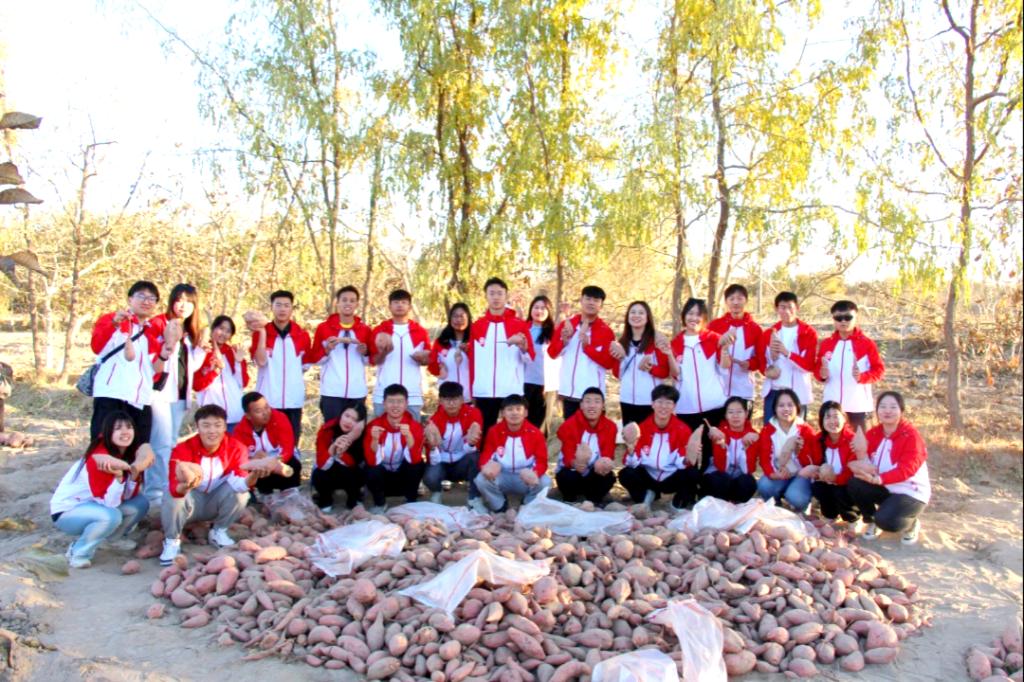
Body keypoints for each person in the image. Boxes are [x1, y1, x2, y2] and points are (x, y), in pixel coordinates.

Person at [50, 412, 154, 568]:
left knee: (140, 503)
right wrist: (119, 477)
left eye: (129, 427)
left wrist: (133, 475)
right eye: (118, 428)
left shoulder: (128, 454)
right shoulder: (99, 458)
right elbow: (109, 503)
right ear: (107, 432)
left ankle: (112, 539)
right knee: (111, 516)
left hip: (96, 505)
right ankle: (78, 552)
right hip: (68, 512)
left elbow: (127, 496)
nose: (125, 432)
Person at [160, 405, 257, 565]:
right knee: (171, 496)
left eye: (218, 425)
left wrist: (254, 475)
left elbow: (240, 483)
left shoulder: (236, 448)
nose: (212, 431)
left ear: (225, 427)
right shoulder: (182, 449)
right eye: (206, 425)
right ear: (197, 427)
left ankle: (219, 530)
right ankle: (172, 540)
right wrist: (186, 485)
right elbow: (174, 487)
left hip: (216, 500)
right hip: (192, 501)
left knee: (242, 494)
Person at [846, 391, 930, 544]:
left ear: (901, 411)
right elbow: (858, 458)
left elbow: (907, 469)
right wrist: (855, 463)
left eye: (893, 407)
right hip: (886, 487)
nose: (887, 411)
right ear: (877, 411)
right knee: (854, 483)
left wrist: (879, 479)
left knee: (887, 521)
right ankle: (871, 519)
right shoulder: (874, 433)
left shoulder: (911, 437)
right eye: (883, 406)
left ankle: (911, 522)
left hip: (909, 492)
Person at [88, 280, 164, 443]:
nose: (146, 301)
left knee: (138, 448)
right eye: (141, 296)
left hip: (141, 400)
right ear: (130, 299)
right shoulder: (112, 320)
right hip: (112, 396)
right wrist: (114, 324)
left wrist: (166, 353)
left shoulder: (151, 333)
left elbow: (154, 371)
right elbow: (97, 346)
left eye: (152, 298)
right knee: (104, 446)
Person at [148, 283, 203, 504]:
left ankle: (166, 488)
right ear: (171, 301)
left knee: (170, 443)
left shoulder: (189, 333)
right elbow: (153, 359)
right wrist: (168, 342)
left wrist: (202, 349)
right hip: (159, 393)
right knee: (159, 444)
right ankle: (153, 494)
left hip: (180, 395)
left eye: (189, 302)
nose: (183, 305)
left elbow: (189, 367)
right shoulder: (159, 324)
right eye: (179, 300)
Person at [618, 385, 702, 510]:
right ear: (652, 404)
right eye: (660, 402)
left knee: (693, 474)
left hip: (671, 476)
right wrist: (631, 450)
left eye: (668, 403)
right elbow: (632, 463)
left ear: (674, 406)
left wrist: (688, 458)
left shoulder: (683, 429)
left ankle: (677, 503)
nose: (663, 406)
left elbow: (682, 462)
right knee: (625, 474)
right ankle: (646, 497)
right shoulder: (641, 428)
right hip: (648, 476)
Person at [468, 278, 534, 434]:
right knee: (485, 433)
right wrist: (472, 390)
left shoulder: (519, 324)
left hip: (510, 390)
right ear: (486, 296)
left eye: (499, 293)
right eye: (492, 293)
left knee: (513, 433)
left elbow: (530, 357)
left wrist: (523, 347)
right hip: (484, 391)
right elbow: (472, 361)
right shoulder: (477, 326)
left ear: (506, 296)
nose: (496, 297)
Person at [670, 298, 728, 467]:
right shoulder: (675, 343)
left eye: (698, 315)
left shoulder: (714, 339)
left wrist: (725, 349)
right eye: (690, 313)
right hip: (686, 407)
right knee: (691, 454)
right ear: (684, 316)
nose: (694, 318)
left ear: (704, 318)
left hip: (714, 405)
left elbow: (725, 367)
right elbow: (675, 375)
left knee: (712, 455)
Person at [249, 290, 311, 442]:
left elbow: (305, 365)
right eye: (278, 305)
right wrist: (262, 333)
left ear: (292, 308)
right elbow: (261, 362)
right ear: (271, 307)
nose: (282, 309)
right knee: (267, 443)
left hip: (293, 400)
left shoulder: (302, 335)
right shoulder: (260, 333)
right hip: (268, 400)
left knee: (291, 444)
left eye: (286, 305)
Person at [815, 300, 885, 432]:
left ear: (856, 317)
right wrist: (821, 375)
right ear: (833, 319)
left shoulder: (866, 344)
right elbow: (818, 369)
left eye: (848, 317)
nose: (843, 321)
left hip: (858, 407)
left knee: (860, 443)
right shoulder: (826, 344)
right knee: (831, 443)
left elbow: (879, 370)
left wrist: (862, 377)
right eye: (838, 318)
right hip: (832, 406)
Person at [307, 285, 373, 425]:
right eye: (344, 300)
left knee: (356, 433)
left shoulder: (365, 330)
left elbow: (371, 360)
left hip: (357, 391)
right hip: (332, 391)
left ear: (357, 304)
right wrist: (327, 350)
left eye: (352, 301)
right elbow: (314, 358)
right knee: (331, 431)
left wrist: (365, 353)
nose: (348, 303)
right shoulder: (324, 328)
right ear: (337, 303)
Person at [547, 285, 616, 419]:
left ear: (601, 305)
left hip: (593, 397)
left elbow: (609, 363)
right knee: (570, 431)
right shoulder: (567, 325)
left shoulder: (606, 331)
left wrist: (587, 347)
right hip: (569, 394)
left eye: (596, 300)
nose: (591, 303)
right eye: (588, 299)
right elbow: (552, 353)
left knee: (593, 432)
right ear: (581, 301)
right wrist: (564, 341)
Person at [474, 394, 550, 511]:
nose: (514, 413)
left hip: (524, 477)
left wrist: (535, 472)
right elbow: (486, 455)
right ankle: (500, 506)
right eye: (509, 409)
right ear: (502, 413)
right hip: (502, 475)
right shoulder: (494, 431)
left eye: (518, 409)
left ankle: (527, 505)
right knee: (480, 479)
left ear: (525, 413)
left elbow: (542, 460)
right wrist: (485, 468)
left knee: (545, 481)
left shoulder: (536, 433)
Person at [363, 384, 426, 511]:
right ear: (384, 404)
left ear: (406, 404)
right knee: (369, 468)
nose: (395, 406)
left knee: (418, 465)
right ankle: (380, 504)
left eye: (399, 401)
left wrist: (408, 436)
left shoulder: (415, 426)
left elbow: (415, 460)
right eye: (391, 401)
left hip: (403, 477)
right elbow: (371, 461)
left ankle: (411, 501)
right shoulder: (374, 426)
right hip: (383, 478)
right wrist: (375, 439)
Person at [755, 388, 820, 512]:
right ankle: (776, 502)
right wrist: (774, 474)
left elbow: (815, 460)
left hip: (801, 474)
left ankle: (802, 504)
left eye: (790, 405)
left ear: (797, 408)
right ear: (775, 409)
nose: (786, 409)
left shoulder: (806, 430)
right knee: (764, 485)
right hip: (779, 471)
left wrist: (800, 450)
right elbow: (764, 459)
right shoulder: (768, 430)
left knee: (797, 498)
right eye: (781, 405)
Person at [370, 290, 431, 420]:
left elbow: (428, 359)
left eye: (404, 302)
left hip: (412, 395)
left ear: (410, 306)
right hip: (384, 394)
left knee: (411, 431)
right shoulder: (380, 330)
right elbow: (374, 360)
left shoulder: (420, 332)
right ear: (389, 306)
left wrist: (422, 359)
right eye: (396, 302)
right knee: (382, 431)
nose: (400, 305)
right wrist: (384, 353)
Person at [610, 301, 672, 427]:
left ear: (647, 318)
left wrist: (650, 368)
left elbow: (665, 372)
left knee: (648, 437)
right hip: (627, 399)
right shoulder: (622, 342)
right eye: (633, 312)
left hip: (650, 401)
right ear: (628, 317)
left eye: (641, 313)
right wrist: (619, 359)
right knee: (630, 437)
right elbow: (617, 374)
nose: (636, 315)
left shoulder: (656, 341)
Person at [423, 381, 484, 508]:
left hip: (462, 460)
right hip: (441, 462)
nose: (451, 404)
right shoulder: (434, 420)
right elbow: (432, 458)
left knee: (477, 458)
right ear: (440, 401)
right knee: (430, 476)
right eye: (447, 400)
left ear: (462, 399)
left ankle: (474, 498)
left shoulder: (473, 413)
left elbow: (475, 446)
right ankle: (436, 493)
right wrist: (433, 446)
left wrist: (471, 443)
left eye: (455, 399)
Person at [553, 387, 618, 505]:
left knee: (609, 477)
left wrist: (604, 464)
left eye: (597, 402)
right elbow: (567, 453)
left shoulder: (610, 427)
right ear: (581, 405)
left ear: (603, 406)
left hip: (594, 473)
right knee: (566, 476)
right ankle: (570, 500)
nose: (592, 406)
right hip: (573, 472)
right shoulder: (568, 425)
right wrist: (575, 463)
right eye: (587, 401)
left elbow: (608, 453)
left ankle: (594, 502)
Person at [760, 292, 817, 422]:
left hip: (797, 392)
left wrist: (787, 353)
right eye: (782, 307)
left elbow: (808, 365)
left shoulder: (808, 333)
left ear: (797, 308)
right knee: (770, 430)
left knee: (797, 431)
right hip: (774, 391)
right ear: (776, 309)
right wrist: (767, 370)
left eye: (790, 307)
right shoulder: (769, 333)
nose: (786, 311)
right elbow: (762, 361)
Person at [232, 392, 302, 494]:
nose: (265, 412)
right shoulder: (240, 431)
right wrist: (253, 459)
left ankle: (290, 493)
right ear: (248, 416)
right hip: (257, 466)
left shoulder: (280, 418)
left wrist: (272, 461)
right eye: (259, 411)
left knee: (293, 464)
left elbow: (287, 448)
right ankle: (262, 495)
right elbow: (240, 460)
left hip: (279, 461)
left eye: (267, 407)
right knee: (251, 472)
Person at [707, 284, 762, 411]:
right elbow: (708, 354)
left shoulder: (755, 329)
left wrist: (749, 363)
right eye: (731, 299)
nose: (736, 302)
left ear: (746, 301)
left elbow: (760, 358)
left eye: (739, 298)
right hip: (718, 389)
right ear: (726, 302)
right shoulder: (715, 326)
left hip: (744, 391)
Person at [193, 315, 249, 432]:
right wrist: (215, 372)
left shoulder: (233, 352)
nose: (223, 333)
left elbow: (243, 383)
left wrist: (238, 362)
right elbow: (197, 385)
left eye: (228, 331)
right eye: (221, 328)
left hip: (235, 415)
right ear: (213, 328)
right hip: (212, 416)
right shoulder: (202, 350)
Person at [808, 401, 860, 523]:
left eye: (836, 416)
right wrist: (817, 474)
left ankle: (853, 518)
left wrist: (835, 479)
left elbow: (852, 471)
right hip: (827, 480)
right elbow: (814, 462)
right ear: (822, 421)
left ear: (844, 418)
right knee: (818, 487)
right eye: (827, 417)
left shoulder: (853, 440)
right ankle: (830, 515)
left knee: (841, 491)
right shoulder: (818, 440)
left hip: (846, 482)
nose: (832, 421)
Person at [312, 403, 367, 512]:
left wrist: (349, 440)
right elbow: (322, 464)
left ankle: (353, 500)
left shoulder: (362, 435)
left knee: (357, 472)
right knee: (318, 474)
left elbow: (355, 462)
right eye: (347, 416)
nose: (348, 421)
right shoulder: (327, 429)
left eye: (355, 420)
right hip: (329, 472)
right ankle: (325, 501)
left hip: (350, 474)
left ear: (360, 424)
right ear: (341, 414)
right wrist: (333, 447)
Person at [703, 397, 759, 503]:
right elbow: (720, 466)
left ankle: (736, 504)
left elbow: (749, 469)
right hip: (719, 473)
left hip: (739, 474)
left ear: (746, 414)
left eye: (739, 412)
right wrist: (722, 446)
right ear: (725, 415)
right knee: (721, 480)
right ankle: (720, 503)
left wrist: (747, 449)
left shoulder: (752, 435)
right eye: (731, 412)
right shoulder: (719, 433)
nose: (735, 416)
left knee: (748, 482)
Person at [522, 295, 560, 431]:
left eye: (543, 308)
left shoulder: (554, 333)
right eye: (536, 307)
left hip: (546, 386)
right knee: (522, 423)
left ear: (549, 311)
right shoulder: (522, 329)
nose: (539, 311)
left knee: (541, 426)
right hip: (524, 382)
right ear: (530, 310)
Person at [428, 303, 473, 403]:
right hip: (448, 398)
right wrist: (440, 367)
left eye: (462, 316)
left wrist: (468, 351)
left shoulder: (474, 341)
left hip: (470, 397)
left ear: (468, 318)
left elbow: (482, 365)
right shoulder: (441, 342)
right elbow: (432, 368)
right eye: (455, 316)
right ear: (450, 319)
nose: (459, 320)